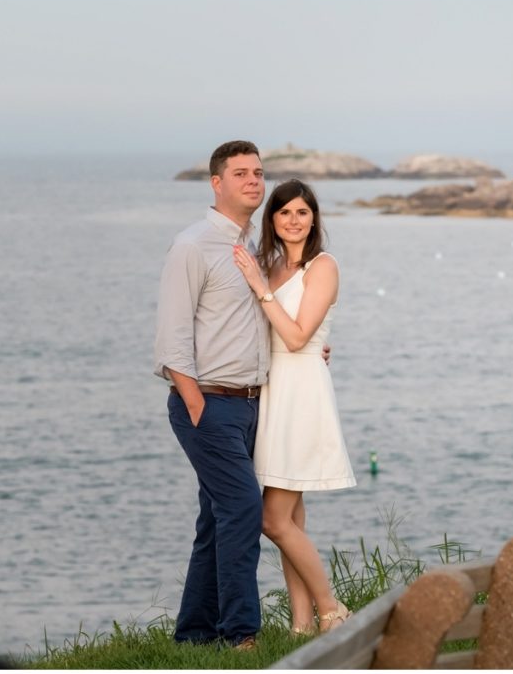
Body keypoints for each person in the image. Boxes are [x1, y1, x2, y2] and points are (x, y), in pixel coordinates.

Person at [154, 141, 329, 651]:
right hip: (208, 403)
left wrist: (314, 346)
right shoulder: (192, 245)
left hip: (256, 404)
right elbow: (171, 340)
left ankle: (193, 634)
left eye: (258, 173)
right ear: (217, 183)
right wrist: (195, 404)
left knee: (216, 518)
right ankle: (241, 636)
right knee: (243, 509)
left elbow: (269, 322)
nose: (253, 181)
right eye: (240, 174)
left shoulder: (257, 249)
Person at [232, 178, 356, 636]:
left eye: (302, 212)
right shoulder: (269, 264)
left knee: (272, 519)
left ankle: (330, 609)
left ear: (313, 219)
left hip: (302, 392)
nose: (293, 220)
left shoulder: (322, 266)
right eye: (284, 213)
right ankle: (302, 626)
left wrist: (259, 286)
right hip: (272, 391)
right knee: (292, 520)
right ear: (273, 220)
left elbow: (299, 336)